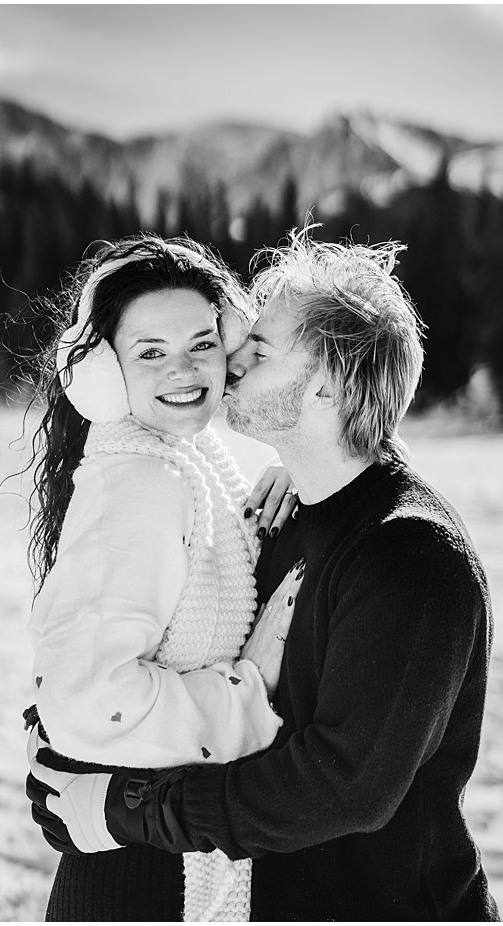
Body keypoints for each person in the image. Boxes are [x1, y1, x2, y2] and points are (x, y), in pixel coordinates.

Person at [29, 229, 498, 921]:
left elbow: (345, 787)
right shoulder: (284, 518)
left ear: (327, 385)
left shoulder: (412, 560)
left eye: (260, 347)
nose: (231, 358)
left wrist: (126, 809)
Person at [20, 235, 298, 921]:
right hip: (139, 875)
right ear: (105, 374)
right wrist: (245, 695)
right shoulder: (142, 481)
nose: (185, 370)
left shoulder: (190, 451)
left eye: (203, 343)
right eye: (151, 352)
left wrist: (305, 470)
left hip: (166, 843)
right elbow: (90, 697)